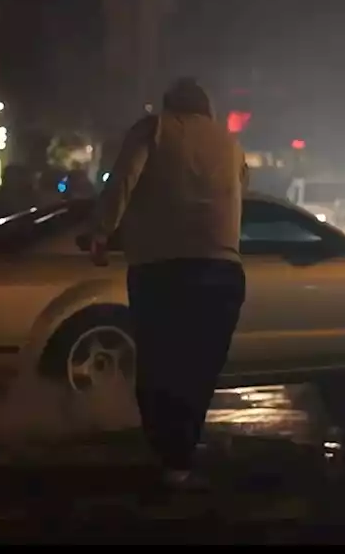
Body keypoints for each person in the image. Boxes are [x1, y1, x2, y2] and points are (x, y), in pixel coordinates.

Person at [86, 77, 249, 491]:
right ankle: (182, 450)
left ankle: (169, 455)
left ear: (170, 105)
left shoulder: (153, 129)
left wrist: (102, 232)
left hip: (160, 268)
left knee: (160, 362)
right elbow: (240, 191)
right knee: (200, 366)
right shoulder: (229, 143)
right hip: (221, 268)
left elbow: (123, 181)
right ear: (206, 107)